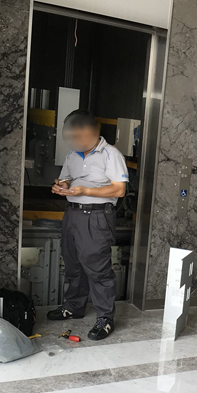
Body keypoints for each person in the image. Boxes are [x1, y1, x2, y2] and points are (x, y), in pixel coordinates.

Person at [47, 111, 129, 340]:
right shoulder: (72, 156)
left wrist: (86, 190)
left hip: (96, 216)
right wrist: (62, 185)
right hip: (72, 214)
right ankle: (74, 306)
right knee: (73, 264)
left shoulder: (110, 154)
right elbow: (67, 178)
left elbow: (119, 189)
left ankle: (105, 318)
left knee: (98, 268)